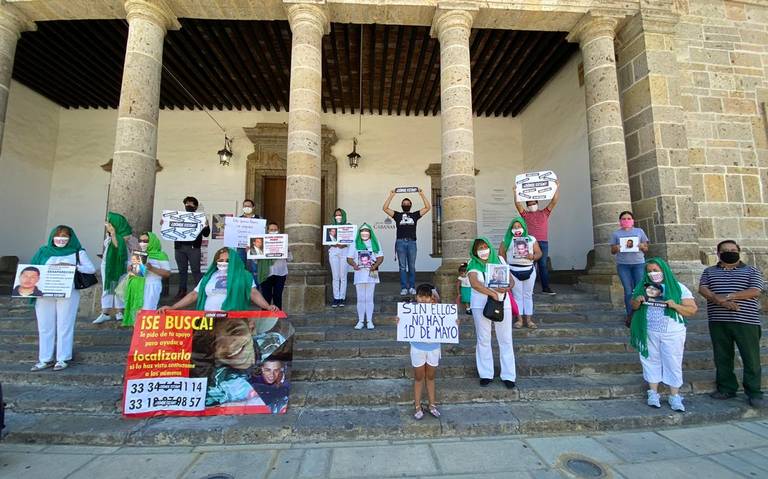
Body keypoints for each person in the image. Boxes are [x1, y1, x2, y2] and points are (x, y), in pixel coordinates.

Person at [699, 240, 765, 408]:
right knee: (722, 356)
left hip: (746, 322)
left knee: (751, 357)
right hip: (718, 321)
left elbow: (755, 291)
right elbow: (703, 289)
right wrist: (719, 301)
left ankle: (754, 392)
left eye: (733, 249)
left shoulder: (752, 270)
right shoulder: (709, 271)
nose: (729, 252)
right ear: (718, 253)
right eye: (725, 250)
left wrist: (728, 297)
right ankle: (726, 388)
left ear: (739, 251)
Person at [629, 258, 697, 411]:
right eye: (650, 271)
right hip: (649, 330)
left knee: (673, 361)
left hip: (672, 331)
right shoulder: (642, 287)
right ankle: (653, 392)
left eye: (656, 270)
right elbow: (633, 305)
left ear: (664, 270)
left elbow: (692, 310)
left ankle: (674, 395)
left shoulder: (678, 288)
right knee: (649, 359)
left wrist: (674, 305)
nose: (653, 273)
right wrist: (638, 301)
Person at [29, 225, 96, 371]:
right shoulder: (43, 251)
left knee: (65, 324)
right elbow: (32, 268)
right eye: (58, 235)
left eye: (65, 235)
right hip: (44, 293)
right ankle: (44, 359)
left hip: (67, 292)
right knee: (45, 325)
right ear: (52, 236)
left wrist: (74, 266)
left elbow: (90, 269)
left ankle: (62, 358)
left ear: (70, 238)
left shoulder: (78, 251)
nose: (61, 238)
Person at [159, 247, 279, 313]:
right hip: (208, 318)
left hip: (232, 321)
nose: (223, 263)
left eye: (227, 261)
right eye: (220, 260)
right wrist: (173, 307)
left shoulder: (244, 275)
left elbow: (253, 293)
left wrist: (268, 307)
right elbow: (194, 294)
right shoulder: (209, 276)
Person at [467, 237, 517, 389]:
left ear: (489, 246)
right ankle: (486, 374)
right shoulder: (472, 263)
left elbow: (511, 281)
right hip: (480, 305)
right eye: (479, 249)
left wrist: (506, 287)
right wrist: (492, 293)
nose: (483, 251)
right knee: (483, 338)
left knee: (506, 338)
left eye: (484, 247)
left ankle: (508, 375)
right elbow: (475, 283)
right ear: (475, 252)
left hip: (503, 304)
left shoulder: (500, 260)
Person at [513, 179, 559, 295]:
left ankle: (545, 288)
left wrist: (556, 187)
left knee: (543, 266)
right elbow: (518, 204)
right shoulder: (525, 215)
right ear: (527, 206)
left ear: (537, 203)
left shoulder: (544, 213)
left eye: (533, 203)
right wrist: (515, 192)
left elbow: (554, 201)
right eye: (529, 204)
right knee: (529, 265)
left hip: (543, 243)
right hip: (530, 243)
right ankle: (529, 289)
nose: (531, 205)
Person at [406, 284, 445, 420]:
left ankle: (432, 405)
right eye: (420, 296)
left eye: (426, 297)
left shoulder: (438, 310)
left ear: (431, 298)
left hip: (434, 348)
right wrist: (399, 321)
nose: (423, 299)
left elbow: (447, 322)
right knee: (418, 377)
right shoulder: (410, 310)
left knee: (431, 377)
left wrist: (454, 322)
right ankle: (417, 405)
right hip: (417, 348)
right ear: (416, 297)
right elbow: (405, 324)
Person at [383, 189, 431, 296]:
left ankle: (412, 287)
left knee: (412, 266)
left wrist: (422, 194)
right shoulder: (397, 215)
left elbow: (428, 207)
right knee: (402, 267)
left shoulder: (414, 215)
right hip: (400, 243)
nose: (406, 204)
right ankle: (404, 287)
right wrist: (391, 195)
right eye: (404, 203)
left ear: (411, 205)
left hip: (412, 243)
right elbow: (385, 208)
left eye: (407, 203)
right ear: (401, 205)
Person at [499, 217, 542, 329]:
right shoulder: (506, 240)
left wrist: (532, 256)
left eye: (519, 226)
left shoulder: (531, 239)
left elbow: (539, 253)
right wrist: (505, 269)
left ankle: (529, 320)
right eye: (514, 227)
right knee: (517, 296)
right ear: (510, 228)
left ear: (523, 227)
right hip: (513, 271)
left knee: (528, 295)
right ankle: (519, 320)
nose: (516, 228)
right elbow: (501, 255)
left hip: (529, 270)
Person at [122, 232, 171, 327]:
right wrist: (131, 268)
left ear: (152, 241)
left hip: (151, 285)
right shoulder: (137, 253)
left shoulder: (160, 255)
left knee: (148, 311)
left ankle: (146, 335)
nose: (142, 243)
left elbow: (167, 273)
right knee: (136, 312)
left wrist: (152, 268)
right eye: (140, 241)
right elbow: (135, 272)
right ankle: (137, 335)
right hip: (137, 285)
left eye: (145, 241)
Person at [610, 211, 649, 327]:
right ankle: (630, 315)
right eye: (623, 218)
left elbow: (646, 248)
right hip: (623, 265)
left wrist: (642, 246)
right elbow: (612, 251)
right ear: (620, 221)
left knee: (639, 290)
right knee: (628, 291)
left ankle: (640, 315)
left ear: (632, 220)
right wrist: (616, 248)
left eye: (628, 218)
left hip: (638, 264)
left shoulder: (639, 231)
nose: (626, 220)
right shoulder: (616, 234)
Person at [93, 212, 133, 324]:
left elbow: (118, 245)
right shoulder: (110, 234)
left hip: (122, 264)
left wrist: (114, 233)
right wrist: (111, 234)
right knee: (109, 286)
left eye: (109, 221)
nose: (107, 224)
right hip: (109, 264)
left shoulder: (126, 234)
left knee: (120, 288)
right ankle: (105, 312)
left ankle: (120, 311)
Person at [346, 224, 383, 329]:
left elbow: (380, 257)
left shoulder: (375, 243)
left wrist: (374, 266)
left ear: (370, 232)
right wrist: (354, 265)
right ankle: (361, 321)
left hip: (373, 272)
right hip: (359, 272)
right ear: (359, 232)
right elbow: (349, 258)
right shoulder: (355, 243)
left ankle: (369, 321)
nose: (365, 232)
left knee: (369, 297)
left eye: (367, 230)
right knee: (361, 298)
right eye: (362, 230)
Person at [173, 196, 210, 300]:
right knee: (182, 270)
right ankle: (182, 291)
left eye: (191, 204)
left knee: (196, 270)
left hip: (194, 248)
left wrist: (206, 225)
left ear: (196, 206)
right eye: (186, 203)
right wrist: (165, 223)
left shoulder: (201, 218)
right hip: (179, 247)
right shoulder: (178, 217)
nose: (188, 205)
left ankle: (200, 291)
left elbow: (206, 234)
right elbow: (171, 228)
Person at [259, 222, 291, 310]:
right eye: (271, 230)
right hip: (266, 273)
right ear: (267, 231)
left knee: (278, 296)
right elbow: (255, 260)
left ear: (278, 231)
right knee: (266, 298)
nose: (273, 231)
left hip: (280, 273)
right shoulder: (261, 242)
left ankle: (278, 319)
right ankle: (265, 321)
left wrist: (287, 250)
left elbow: (290, 258)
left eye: (275, 230)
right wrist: (250, 252)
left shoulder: (283, 242)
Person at [328, 208, 350, 307]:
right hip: (333, 251)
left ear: (343, 215)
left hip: (344, 251)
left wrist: (344, 244)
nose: (338, 217)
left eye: (340, 215)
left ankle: (342, 298)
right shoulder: (330, 227)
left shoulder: (348, 226)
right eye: (336, 215)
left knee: (343, 276)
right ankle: (336, 298)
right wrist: (333, 244)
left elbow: (351, 240)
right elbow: (327, 240)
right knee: (335, 276)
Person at [236, 199, 261, 285]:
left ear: (253, 207)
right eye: (245, 206)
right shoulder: (238, 220)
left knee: (255, 269)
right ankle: (242, 288)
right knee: (240, 268)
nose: (247, 208)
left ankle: (255, 289)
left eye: (249, 206)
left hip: (255, 247)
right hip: (241, 247)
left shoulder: (259, 219)